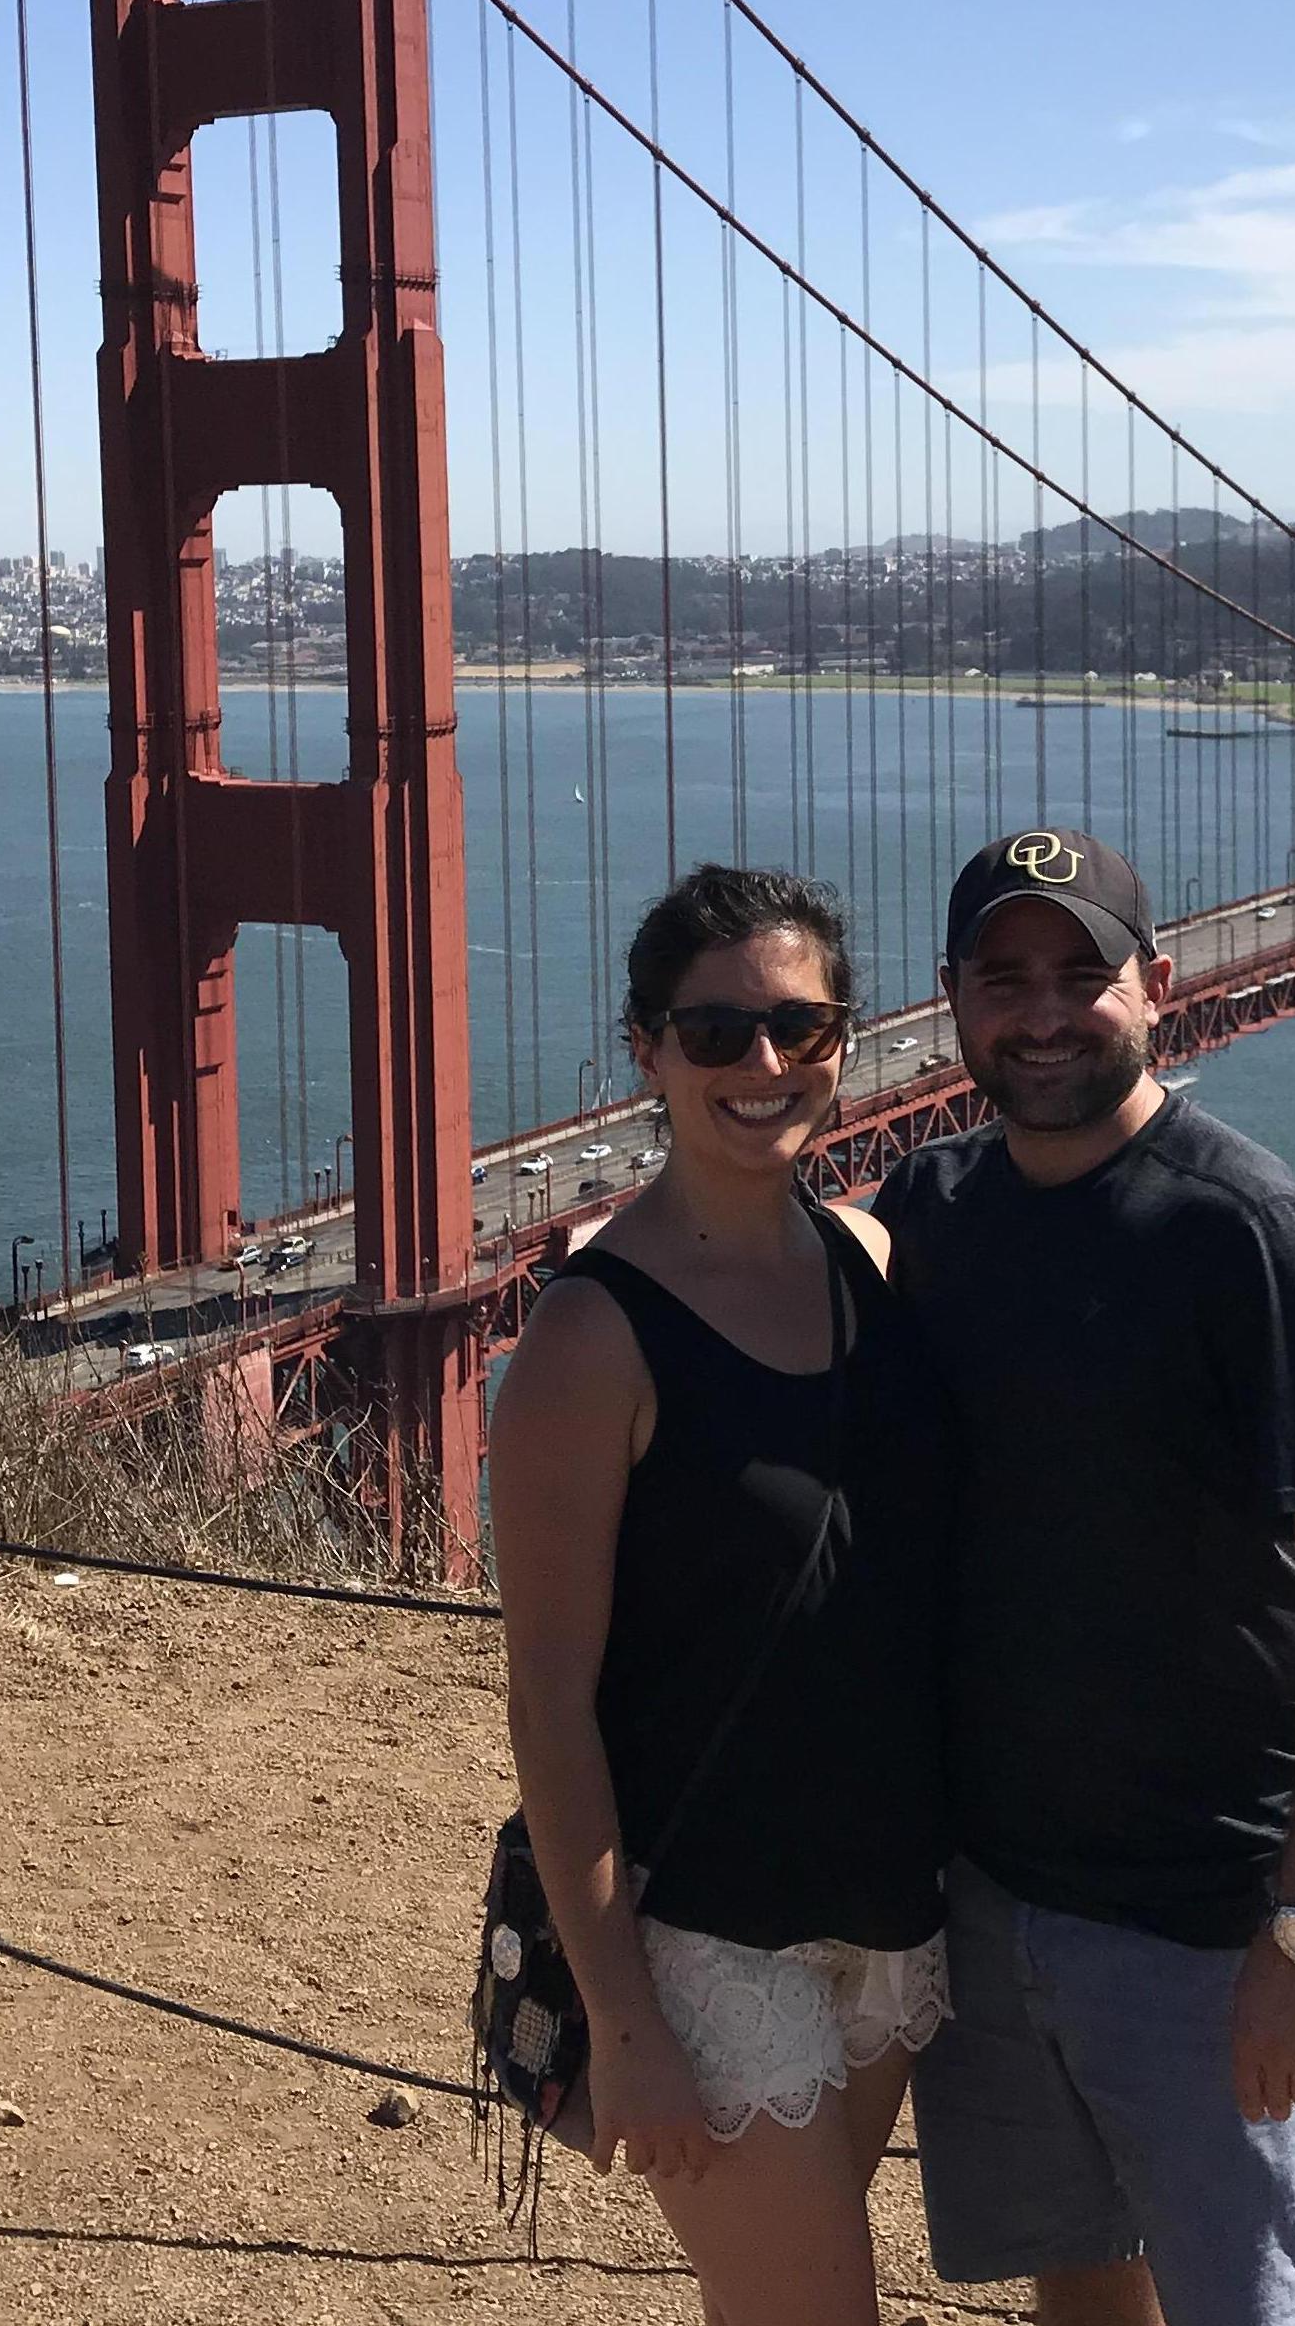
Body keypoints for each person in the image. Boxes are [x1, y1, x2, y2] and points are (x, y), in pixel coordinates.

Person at [877, 827, 1295, 2326]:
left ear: (1159, 984)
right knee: (1080, 2276)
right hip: (989, 1896)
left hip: (1206, 1921)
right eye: (1006, 981)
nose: (1045, 1013)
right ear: (952, 1002)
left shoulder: (1251, 1237)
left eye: (1085, 973)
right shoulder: (930, 1214)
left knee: (1246, 2303)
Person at [490, 863, 953, 2326]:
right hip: (702, 1941)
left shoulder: (874, 1260)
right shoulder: (588, 1342)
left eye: (801, 1028)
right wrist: (622, 2021)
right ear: (646, 1052)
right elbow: (550, 1704)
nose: (764, 1066)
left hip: (889, 1908)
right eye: (715, 1034)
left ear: (845, 1038)